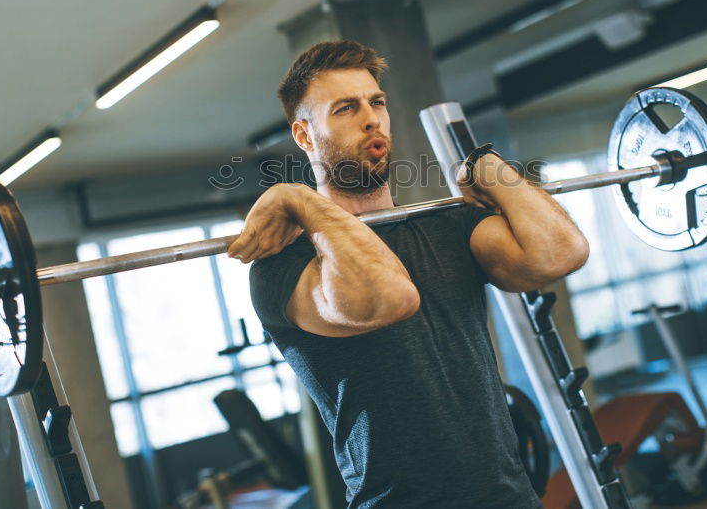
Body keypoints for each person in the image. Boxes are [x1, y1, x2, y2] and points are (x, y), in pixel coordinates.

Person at [228, 40, 588, 508]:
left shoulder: (446, 226)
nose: (371, 118)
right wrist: (297, 198)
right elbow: (390, 297)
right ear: (304, 135)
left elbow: (559, 254)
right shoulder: (285, 268)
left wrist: (488, 165)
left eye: (376, 102)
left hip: (508, 496)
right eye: (345, 108)